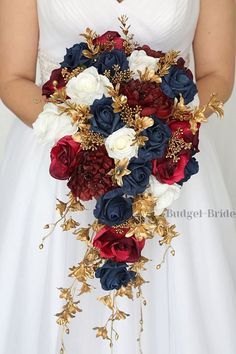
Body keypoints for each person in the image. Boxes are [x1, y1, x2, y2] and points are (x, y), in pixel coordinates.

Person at [0, 0, 235, 353]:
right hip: (58, 163)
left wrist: (157, 136)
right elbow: (11, 78)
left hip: (166, 158)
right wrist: (86, 136)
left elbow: (218, 74)